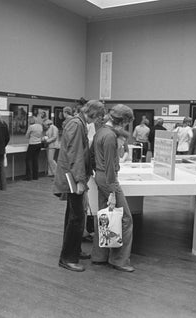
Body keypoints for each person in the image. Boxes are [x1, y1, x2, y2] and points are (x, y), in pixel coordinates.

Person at [53, 100, 105, 272]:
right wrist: (80, 181)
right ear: (94, 114)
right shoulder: (77, 125)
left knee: (73, 216)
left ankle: (74, 250)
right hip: (72, 178)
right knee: (76, 218)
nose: (98, 120)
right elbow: (76, 155)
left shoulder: (78, 123)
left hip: (72, 176)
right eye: (99, 117)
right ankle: (67, 258)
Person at [91, 104, 136, 273]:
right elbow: (110, 165)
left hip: (100, 176)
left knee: (103, 215)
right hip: (109, 178)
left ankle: (99, 255)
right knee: (125, 218)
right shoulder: (110, 136)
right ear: (122, 121)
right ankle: (119, 260)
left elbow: (92, 155)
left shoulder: (101, 131)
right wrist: (112, 190)